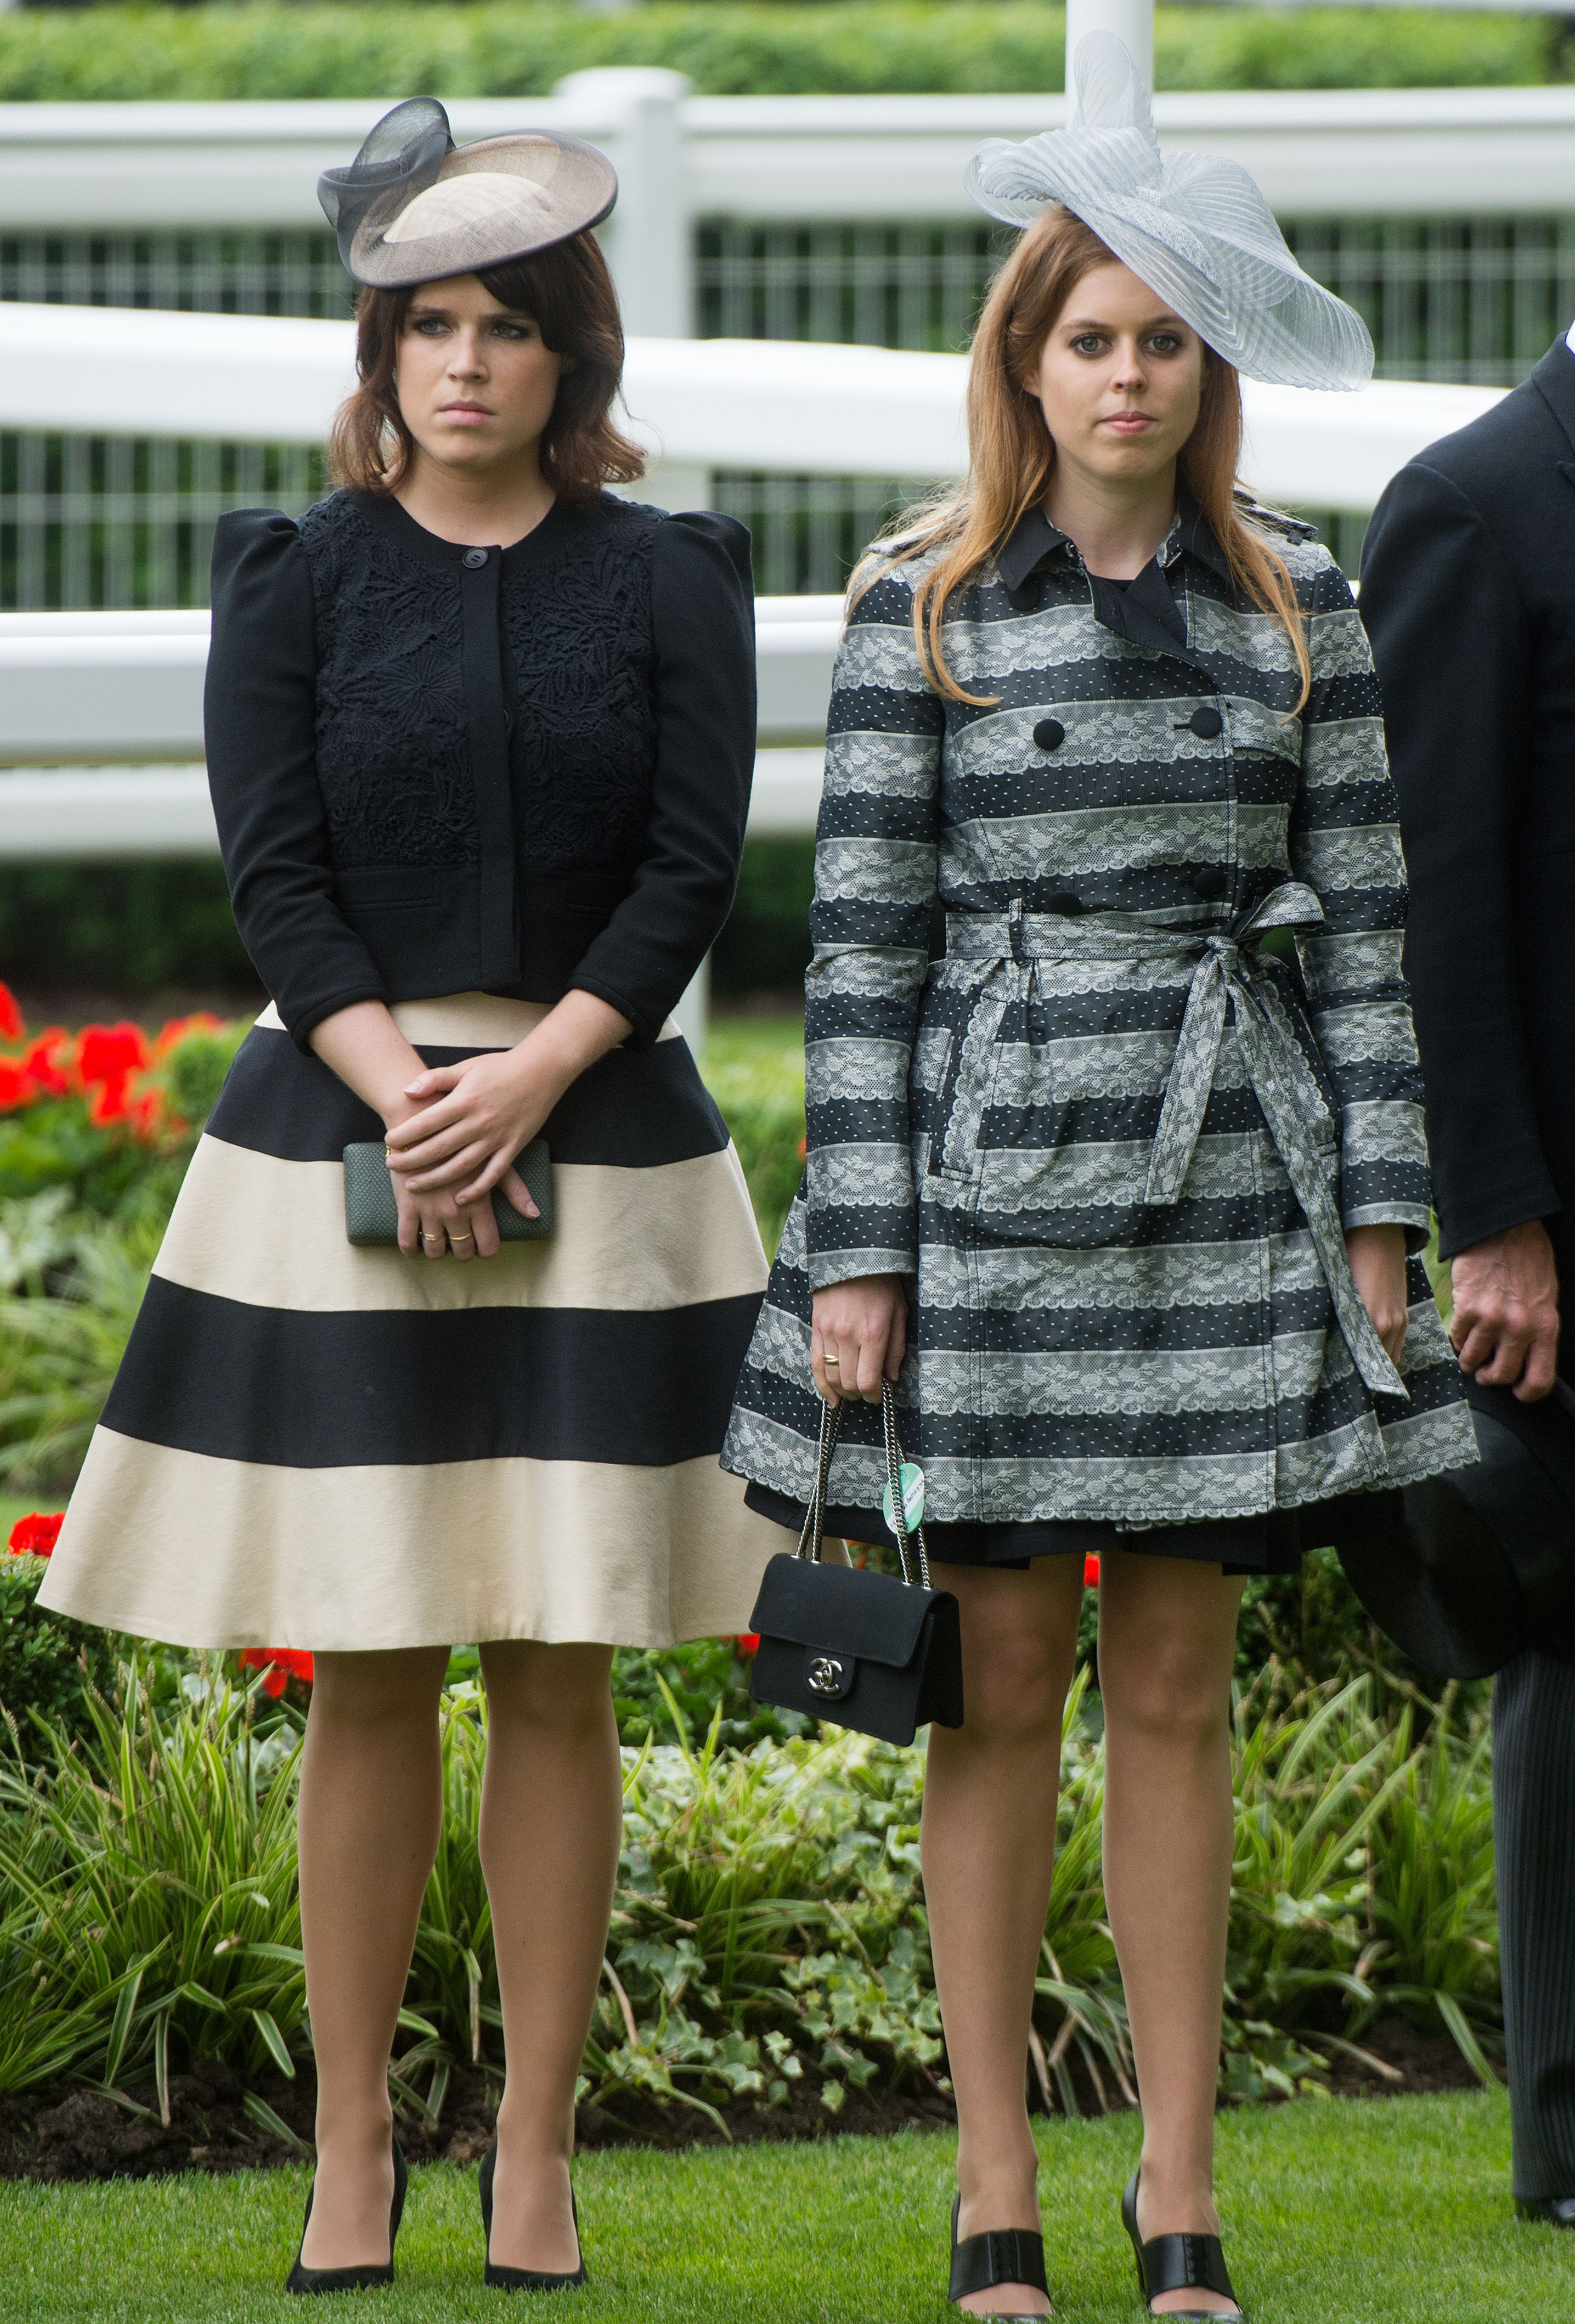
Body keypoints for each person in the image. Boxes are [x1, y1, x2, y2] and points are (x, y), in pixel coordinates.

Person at [724, 38, 1477, 2321]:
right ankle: (990, 2198)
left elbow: (1367, 932)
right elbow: (856, 953)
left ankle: (1178, 2200)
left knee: (1180, 1689)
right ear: (1023, 364)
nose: (1127, 374)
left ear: (1203, 366)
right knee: (1002, 1680)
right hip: (988, 1199)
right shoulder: (920, 609)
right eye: (1089, 338)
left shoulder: (1301, 609)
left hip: (1233, 1188)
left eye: (1163, 338)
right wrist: (857, 1257)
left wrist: (1381, 1225)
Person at [39, 97, 780, 2295]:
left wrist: (528, 1080)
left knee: (561, 1665)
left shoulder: (672, 577)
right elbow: (271, 870)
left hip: (603, 1125)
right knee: (365, 1663)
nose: (465, 363)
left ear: (576, 358)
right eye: (426, 325)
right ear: (379, 354)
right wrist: (404, 1098)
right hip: (336, 1127)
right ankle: (354, 2147)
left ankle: (533, 2153)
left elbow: (688, 864)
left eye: (508, 328)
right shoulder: (291, 576)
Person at [1360, 307, 1575, 2228]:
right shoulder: (1474, 506)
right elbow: (1436, 896)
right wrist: (1489, 1216)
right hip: (1562, 1224)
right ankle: (1574, 2144)